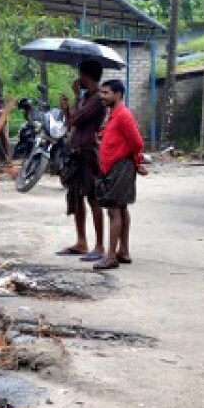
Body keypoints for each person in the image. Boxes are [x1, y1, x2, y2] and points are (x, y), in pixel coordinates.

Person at [92, 79, 148, 270]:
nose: (102, 96)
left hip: (120, 166)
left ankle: (111, 256)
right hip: (115, 165)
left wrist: (134, 160)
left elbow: (137, 142)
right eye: (101, 92)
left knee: (114, 210)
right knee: (121, 209)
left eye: (106, 93)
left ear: (117, 94)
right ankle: (123, 251)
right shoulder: (113, 115)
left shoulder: (123, 115)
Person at [55, 59, 106, 261]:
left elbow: (77, 119)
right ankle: (81, 241)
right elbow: (70, 124)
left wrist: (76, 98)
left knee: (93, 198)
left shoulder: (97, 99)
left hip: (88, 152)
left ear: (87, 76)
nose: (78, 79)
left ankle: (100, 245)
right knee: (76, 197)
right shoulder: (86, 98)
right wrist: (68, 107)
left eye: (80, 75)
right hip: (76, 152)